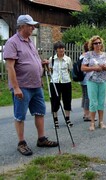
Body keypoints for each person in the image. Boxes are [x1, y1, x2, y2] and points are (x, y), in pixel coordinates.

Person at [4, 14, 58, 156]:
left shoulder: (29, 41)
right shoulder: (12, 42)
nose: (33, 27)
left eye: (33, 25)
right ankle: (21, 143)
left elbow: (31, 60)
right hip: (22, 85)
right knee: (20, 115)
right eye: (30, 25)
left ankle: (41, 139)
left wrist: (41, 62)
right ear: (22, 26)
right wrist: (15, 87)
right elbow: (10, 67)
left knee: (40, 112)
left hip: (36, 84)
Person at [81, 35, 106, 131]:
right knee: (93, 102)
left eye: (99, 43)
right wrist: (95, 68)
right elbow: (83, 68)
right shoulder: (88, 55)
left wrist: (105, 68)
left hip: (103, 80)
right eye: (96, 43)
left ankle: (101, 122)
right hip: (92, 81)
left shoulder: (105, 55)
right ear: (92, 45)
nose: (98, 44)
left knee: (101, 102)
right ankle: (92, 123)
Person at [49, 41, 73, 128]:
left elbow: (70, 69)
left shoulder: (68, 59)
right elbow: (50, 69)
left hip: (66, 82)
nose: (61, 49)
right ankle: (55, 120)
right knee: (55, 101)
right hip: (55, 82)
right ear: (56, 50)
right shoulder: (51, 59)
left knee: (67, 100)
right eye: (59, 48)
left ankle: (67, 118)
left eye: (62, 48)